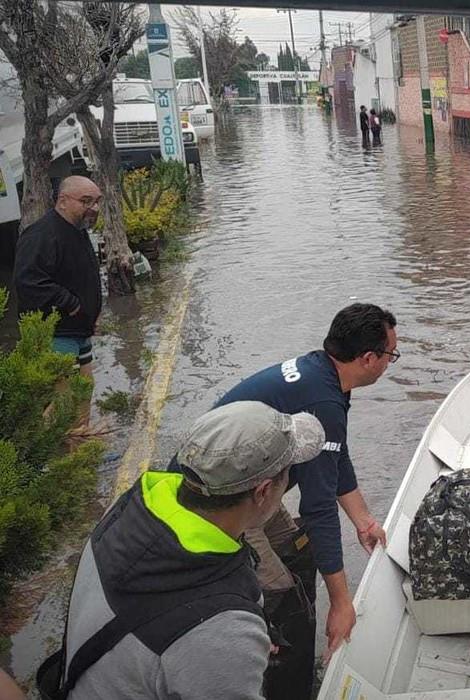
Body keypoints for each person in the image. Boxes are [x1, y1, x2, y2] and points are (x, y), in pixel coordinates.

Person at [170, 303, 396, 699]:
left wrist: (363, 520)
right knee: (278, 592)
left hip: (255, 489)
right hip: (219, 502)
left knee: (298, 549)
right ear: (368, 359)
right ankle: (275, 682)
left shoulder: (322, 375)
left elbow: (334, 456)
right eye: (391, 355)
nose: (390, 363)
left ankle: (298, 661)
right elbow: (319, 507)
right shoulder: (323, 400)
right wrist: (341, 603)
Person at [44, 401, 325, 700]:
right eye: (287, 473)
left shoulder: (129, 509)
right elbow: (210, 640)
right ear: (263, 491)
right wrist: (230, 653)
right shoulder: (224, 633)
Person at [14, 176, 104, 376]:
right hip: (56, 334)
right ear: (62, 201)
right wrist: (70, 303)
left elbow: (84, 276)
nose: (95, 208)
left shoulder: (78, 230)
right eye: (86, 201)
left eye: (97, 201)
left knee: (84, 391)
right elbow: (28, 281)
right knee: (62, 400)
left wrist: (93, 310)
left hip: (80, 331)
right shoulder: (40, 235)